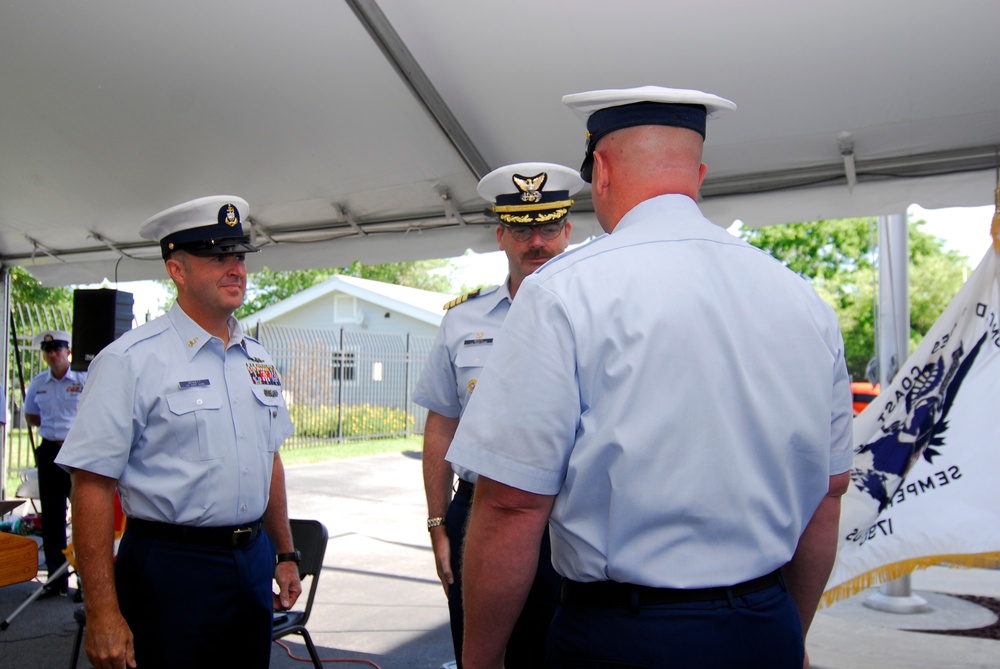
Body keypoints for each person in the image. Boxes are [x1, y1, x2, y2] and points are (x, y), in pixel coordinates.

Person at [446, 86, 854, 669]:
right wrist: (788, 634)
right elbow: (828, 495)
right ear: (700, 174)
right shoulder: (801, 298)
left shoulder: (563, 292)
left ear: (602, 170)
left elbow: (511, 504)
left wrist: (480, 661)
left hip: (622, 636)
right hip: (765, 624)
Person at [56, 195, 301, 669]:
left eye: (239, 256)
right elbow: (90, 485)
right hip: (169, 568)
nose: (235, 269)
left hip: (250, 562)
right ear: (177, 270)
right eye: (217, 257)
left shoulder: (257, 358)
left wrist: (285, 551)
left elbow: (269, 458)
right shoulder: (130, 360)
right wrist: (103, 610)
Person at [414, 162, 584, 668]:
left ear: (568, 231)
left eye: (549, 227)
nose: (537, 242)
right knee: (479, 652)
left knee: (561, 650)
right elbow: (442, 424)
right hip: (478, 509)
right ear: (501, 235)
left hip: (568, 515)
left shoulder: (597, 314)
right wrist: (438, 524)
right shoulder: (463, 319)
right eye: (522, 229)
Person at [23, 329, 86, 597]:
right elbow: (31, 416)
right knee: (51, 518)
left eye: (57, 349)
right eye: (48, 351)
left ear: (68, 352)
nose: (52, 355)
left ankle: (84, 581)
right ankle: (55, 579)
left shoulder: (83, 379)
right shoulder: (39, 383)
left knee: (85, 516)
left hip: (76, 452)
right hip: (49, 452)